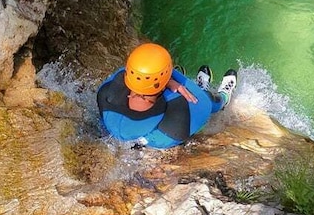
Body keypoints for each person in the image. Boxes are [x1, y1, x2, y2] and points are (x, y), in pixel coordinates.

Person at [96, 43, 237, 149]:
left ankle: (164, 81)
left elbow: (129, 73)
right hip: (162, 138)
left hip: (116, 126)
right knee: (202, 98)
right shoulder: (178, 114)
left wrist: (163, 81)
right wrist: (173, 82)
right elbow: (203, 106)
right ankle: (223, 98)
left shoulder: (107, 90)